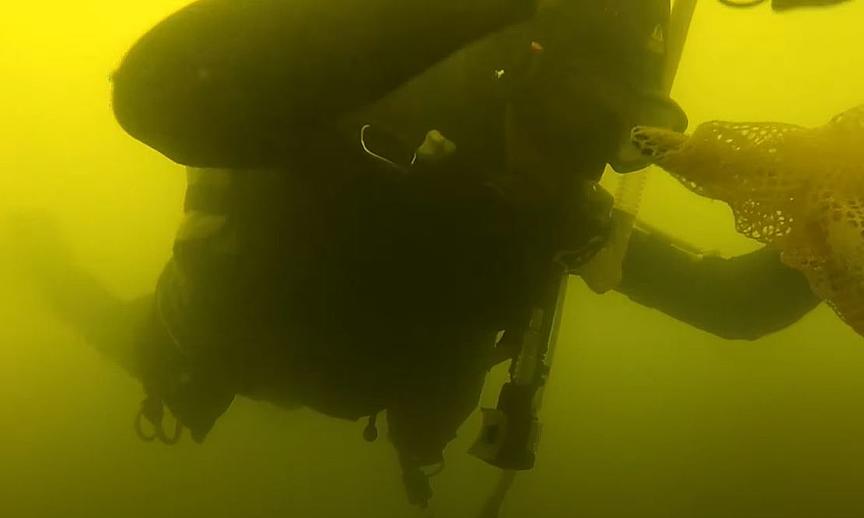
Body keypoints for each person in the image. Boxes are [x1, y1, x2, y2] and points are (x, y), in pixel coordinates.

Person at [19, 0, 820, 507]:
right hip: (216, 349)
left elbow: (733, 305)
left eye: (612, 142)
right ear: (510, 81)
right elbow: (155, 89)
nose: (575, 164)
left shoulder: (558, 211)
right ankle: (34, 255)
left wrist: (861, 199)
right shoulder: (360, 109)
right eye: (566, 120)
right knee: (109, 322)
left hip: (372, 388)